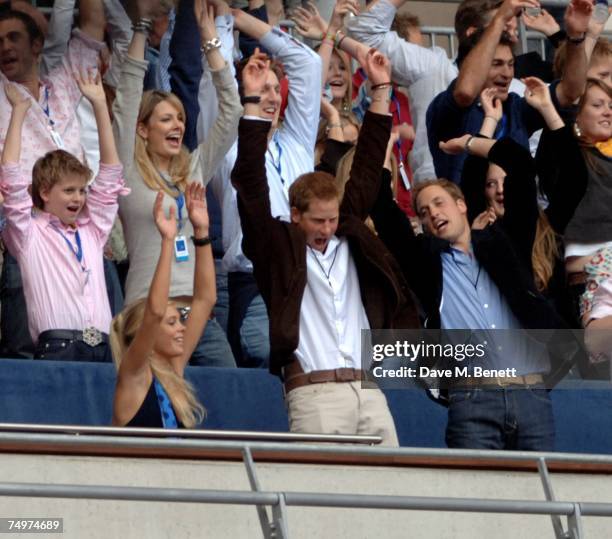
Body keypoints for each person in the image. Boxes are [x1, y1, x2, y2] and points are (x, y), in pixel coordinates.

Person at [232, 49, 418, 445]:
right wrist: (251, 104)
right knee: (321, 503)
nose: (328, 228)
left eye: (332, 219)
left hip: (369, 392)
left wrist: (381, 89)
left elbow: (367, 168)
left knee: (392, 498)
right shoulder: (276, 247)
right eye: (318, 221)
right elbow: (250, 185)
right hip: (314, 395)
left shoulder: (348, 235)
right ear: (295, 215)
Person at [369, 132, 578, 449]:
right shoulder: (427, 266)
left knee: (542, 495)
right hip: (471, 400)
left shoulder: (508, 244)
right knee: (476, 496)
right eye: (424, 212)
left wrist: (470, 143)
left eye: (439, 203)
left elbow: (520, 166)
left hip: (531, 395)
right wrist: (385, 151)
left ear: (462, 204)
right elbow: (383, 211)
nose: (433, 213)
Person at [112, 0, 241, 367]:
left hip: (200, 318)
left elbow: (230, 113)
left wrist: (210, 40)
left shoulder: (194, 169)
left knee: (225, 399)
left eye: (180, 119)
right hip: (147, 314)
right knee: (155, 413)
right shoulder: (128, 169)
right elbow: (127, 98)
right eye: (166, 120)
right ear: (143, 129)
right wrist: (141, 28)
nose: (178, 126)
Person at [199, 8, 321, 368]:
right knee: (268, 374)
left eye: (273, 88)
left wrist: (239, 17)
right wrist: (218, 26)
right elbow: (211, 87)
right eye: (258, 88)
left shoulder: (297, 140)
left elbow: (309, 65)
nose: (270, 96)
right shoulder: (226, 147)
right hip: (255, 284)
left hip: (309, 278)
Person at [0, 3, 107, 359]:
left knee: (108, 345)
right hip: (28, 232)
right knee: (27, 351)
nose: (5, 47)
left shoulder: (62, 79)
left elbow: (93, 21)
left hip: (83, 230)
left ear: (36, 45)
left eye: (13, 37)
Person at [0, 71, 127, 362]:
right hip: (58, 349)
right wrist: (19, 113)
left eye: (82, 190)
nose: (79, 198)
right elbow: (11, 177)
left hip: (104, 349)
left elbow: (109, 178)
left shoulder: (92, 231)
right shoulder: (27, 233)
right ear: (44, 192)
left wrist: (98, 106)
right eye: (69, 191)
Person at [426, 0, 592, 183]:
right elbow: (465, 92)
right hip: (469, 209)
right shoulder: (448, 107)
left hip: (518, 210)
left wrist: (576, 38)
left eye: (511, 64)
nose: (506, 74)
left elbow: (571, 91)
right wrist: (499, 20)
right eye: (496, 64)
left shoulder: (516, 107)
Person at [110, 184, 212, 428]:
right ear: (145, 333)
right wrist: (167, 241)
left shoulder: (174, 369)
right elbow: (155, 312)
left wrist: (202, 232)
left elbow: (205, 300)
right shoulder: (133, 374)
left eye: (180, 320)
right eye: (172, 322)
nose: (182, 328)